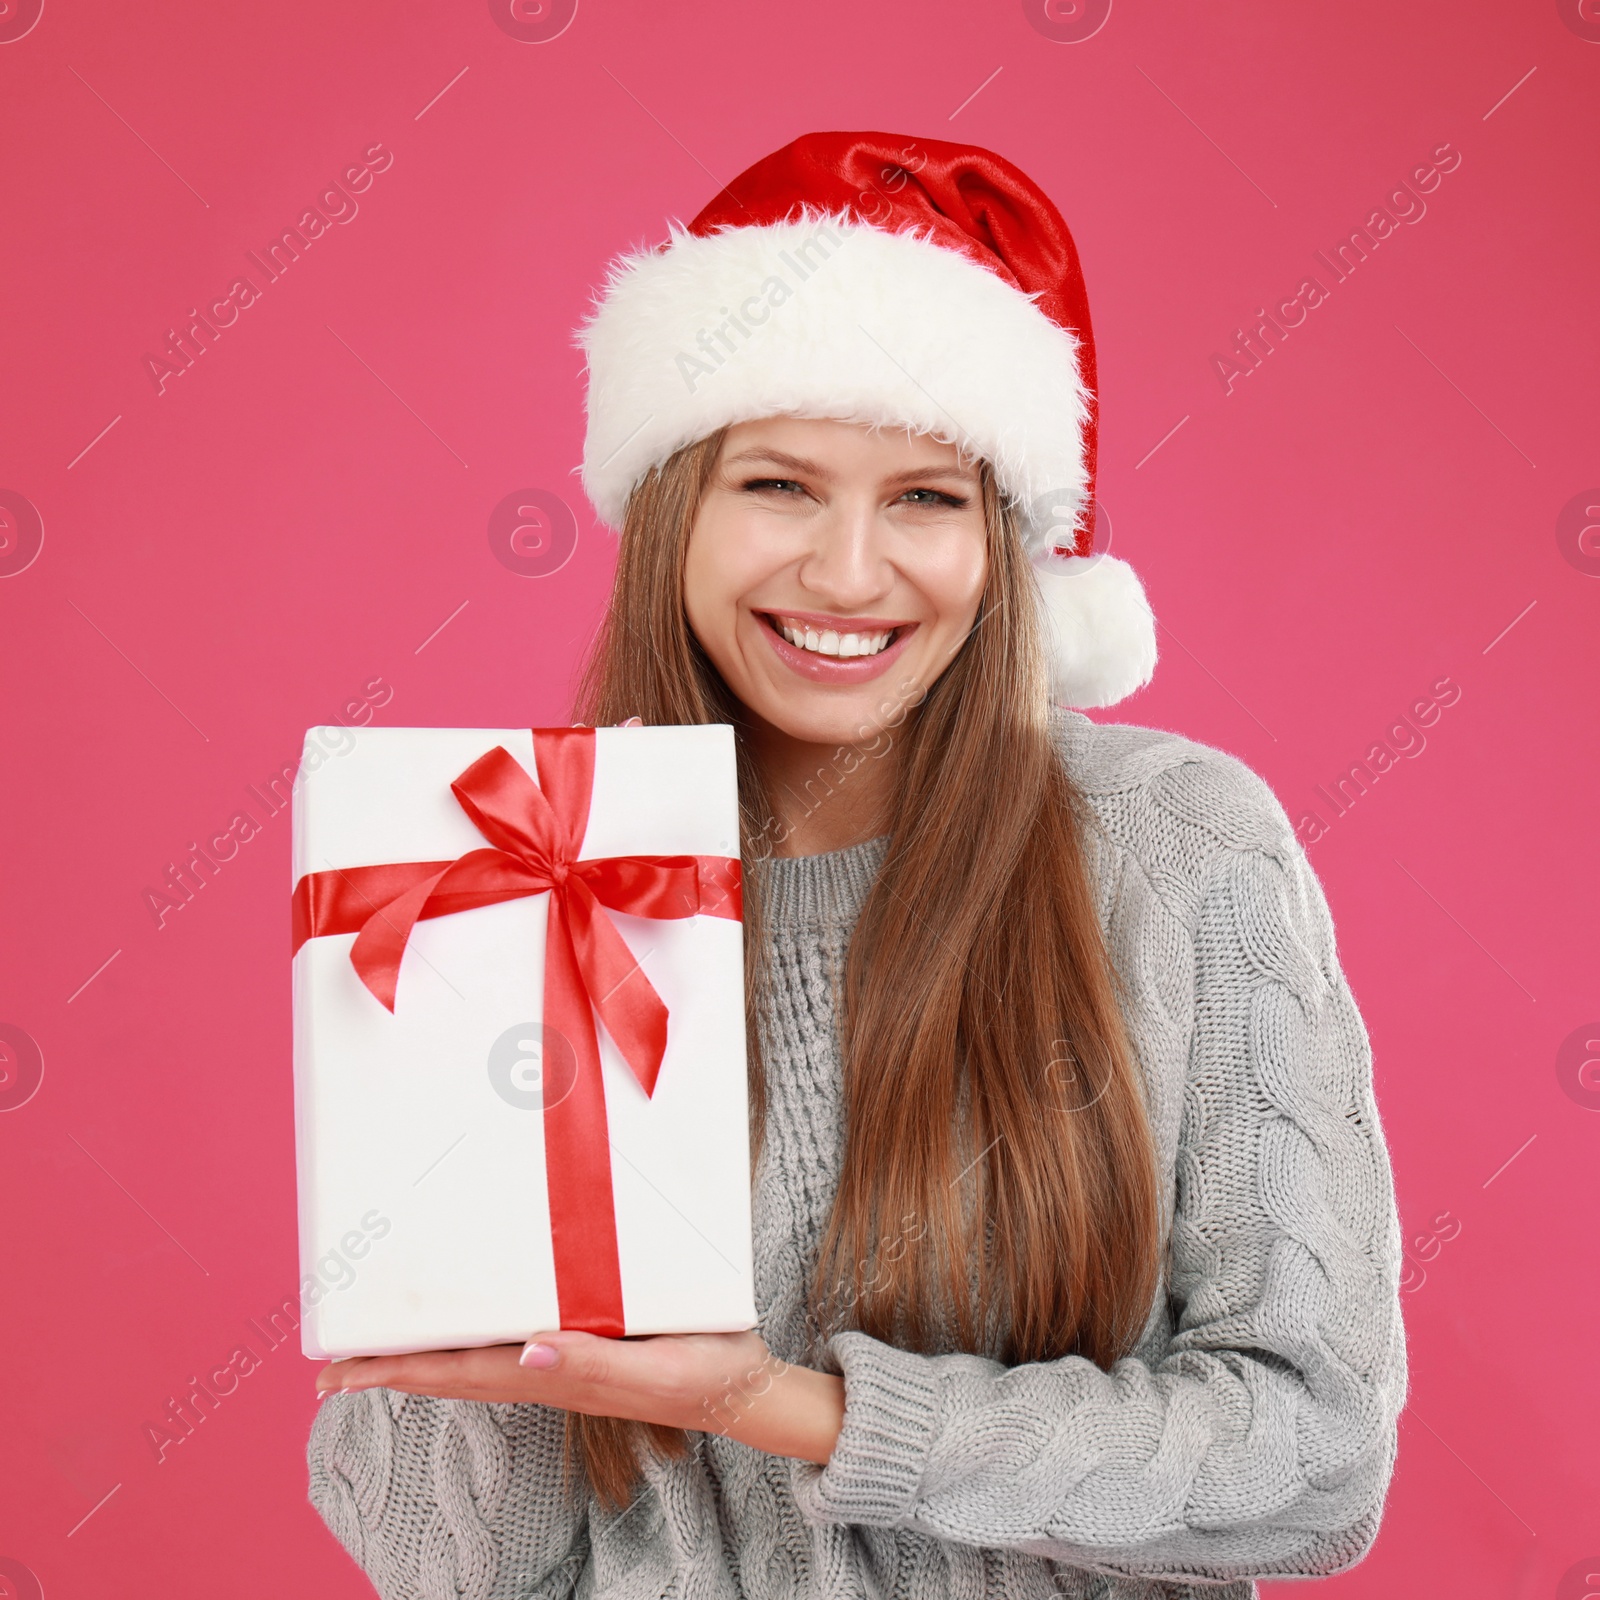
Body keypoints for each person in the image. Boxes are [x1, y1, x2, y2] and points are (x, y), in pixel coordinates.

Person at [305, 131, 1407, 1600]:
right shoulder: (512, 869)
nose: (844, 573)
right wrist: (495, 1282)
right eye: (777, 485)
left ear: (1009, 543)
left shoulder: (1178, 849)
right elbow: (466, 1568)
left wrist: (783, 1407)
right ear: (672, 511)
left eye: (926, 500)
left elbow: (1313, 1459)